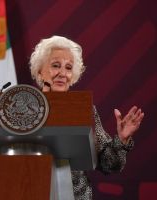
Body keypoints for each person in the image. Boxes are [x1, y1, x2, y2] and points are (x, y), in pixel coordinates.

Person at [29, 35, 144, 199]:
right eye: (56, 65)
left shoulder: (83, 110)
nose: (62, 73)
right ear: (40, 71)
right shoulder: (22, 109)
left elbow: (108, 163)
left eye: (69, 68)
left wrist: (122, 139)